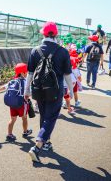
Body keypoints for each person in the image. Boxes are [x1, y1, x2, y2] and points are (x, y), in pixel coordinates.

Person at [25, 22, 74, 163]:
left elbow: (30, 73)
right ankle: (38, 146)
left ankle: (46, 143)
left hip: (38, 89)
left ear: (43, 34)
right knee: (51, 117)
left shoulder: (35, 50)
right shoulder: (63, 51)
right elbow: (67, 75)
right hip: (55, 90)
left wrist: (26, 90)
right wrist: (70, 91)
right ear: (56, 34)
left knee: (44, 116)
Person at [0, 63, 33, 141]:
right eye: (26, 72)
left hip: (12, 104)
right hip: (22, 104)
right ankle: (25, 131)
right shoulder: (25, 82)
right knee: (24, 118)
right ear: (22, 73)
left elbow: (4, 87)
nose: (27, 74)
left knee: (12, 119)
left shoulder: (12, 81)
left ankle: (9, 134)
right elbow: (30, 93)